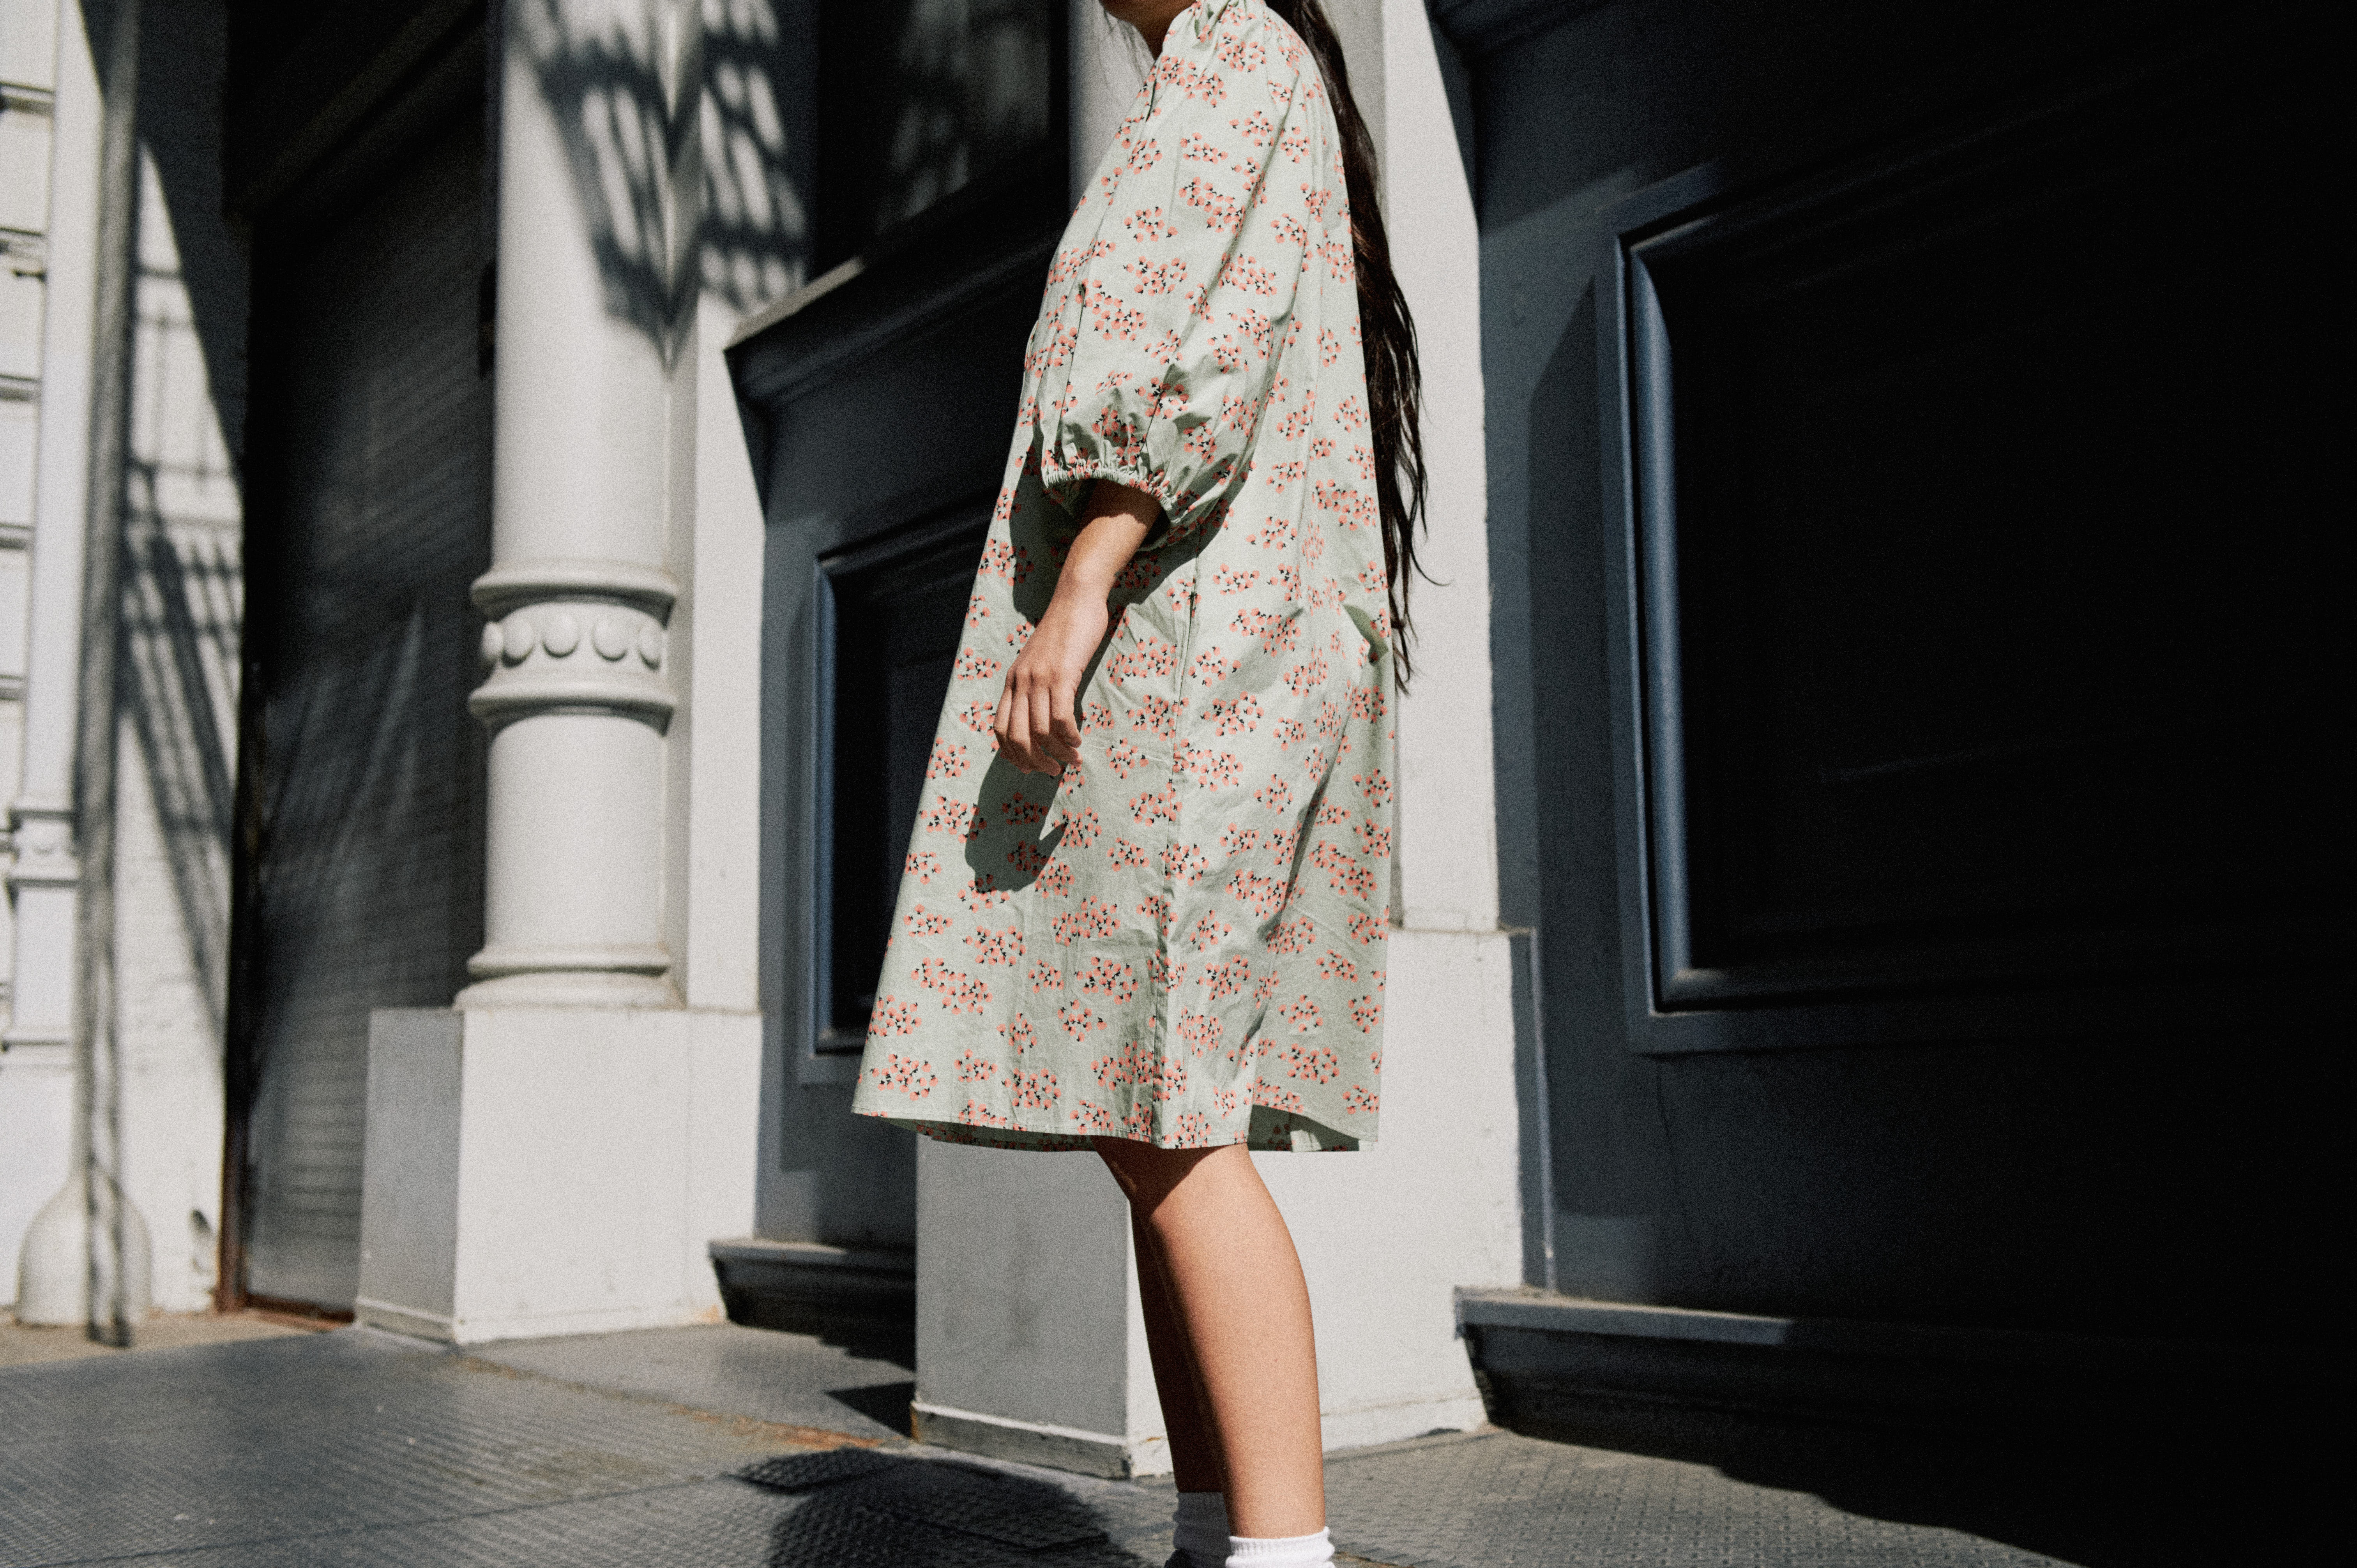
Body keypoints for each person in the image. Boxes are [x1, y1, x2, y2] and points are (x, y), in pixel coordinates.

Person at [851, 2, 1423, 1563]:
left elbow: (1195, 341)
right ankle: (1214, 1532)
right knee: (1151, 1117)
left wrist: (1086, 580)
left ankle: (1280, 1554)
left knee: (1172, 1122)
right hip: (1214, 637)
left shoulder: (1235, 49)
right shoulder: (1235, 69)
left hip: (1185, 646)